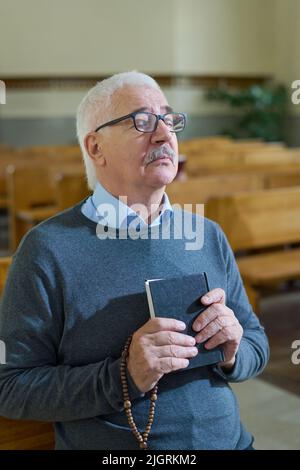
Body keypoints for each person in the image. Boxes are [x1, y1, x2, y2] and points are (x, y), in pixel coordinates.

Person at [0, 71, 269, 450]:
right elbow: (11, 388)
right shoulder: (47, 249)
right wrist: (124, 376)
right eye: (142, 122)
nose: (164, 135)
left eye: (169, 120)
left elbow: (256, 343)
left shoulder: (207, 234)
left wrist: (233, 350)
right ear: (96, 148)